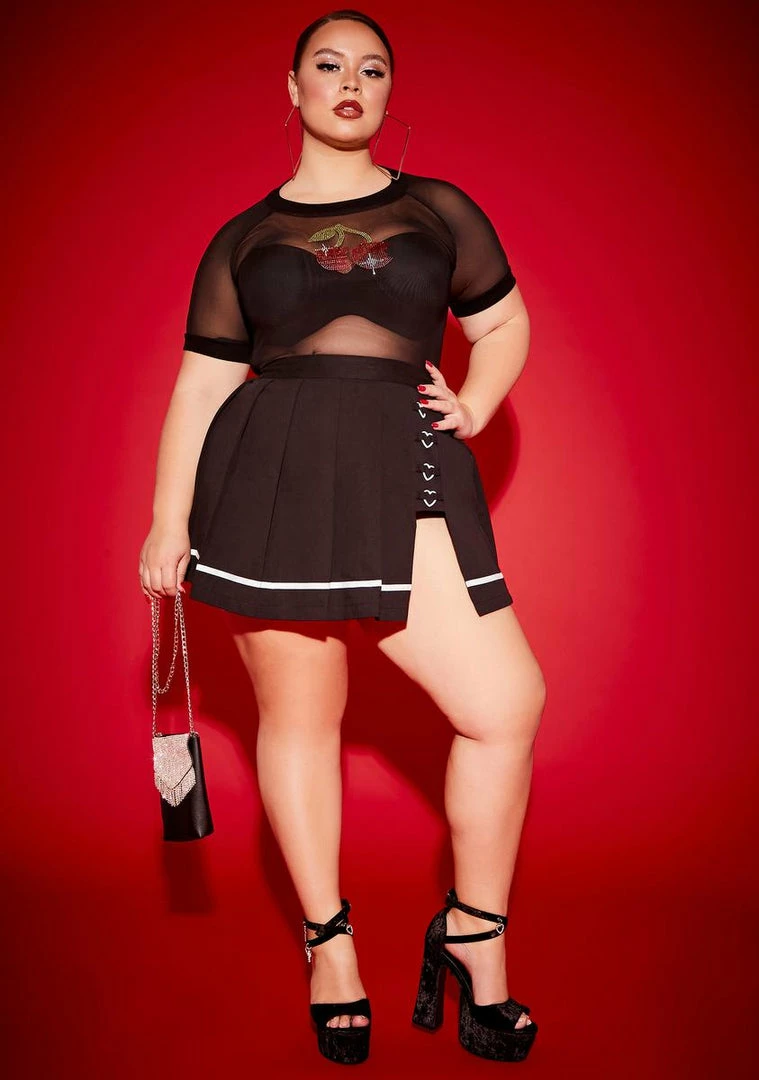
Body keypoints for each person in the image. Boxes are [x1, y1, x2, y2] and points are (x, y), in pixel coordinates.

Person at [139, 7, 545, 1066]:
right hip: (269, 480)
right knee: (301, 717)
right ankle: (331, 946)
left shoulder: (438, 208)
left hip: (405, 467)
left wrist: (478, 401)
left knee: (505, 704)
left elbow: (503, 322)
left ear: (388, 93)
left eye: (372, 67)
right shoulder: (241, 237)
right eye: (328, 64)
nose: (350, 81)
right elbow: (201, 384)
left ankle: (475, 932)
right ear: (294, 88)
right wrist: (167, 519)